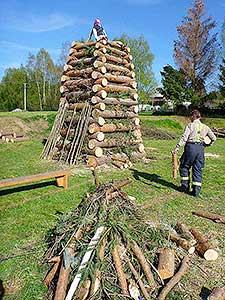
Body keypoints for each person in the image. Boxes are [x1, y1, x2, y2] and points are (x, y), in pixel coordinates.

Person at [172, 110, 216, 197]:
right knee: (198, 169)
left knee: (184, 166)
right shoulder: (205, 127)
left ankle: (184, 187)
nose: (189, 118)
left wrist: (177, 147)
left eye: (190, 117)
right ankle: (196, 191)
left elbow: (184, 137)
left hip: (190, 148)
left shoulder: (190, 125)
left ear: (193, 116)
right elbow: (213, 138)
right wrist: (207, 144)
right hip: (200, 149)